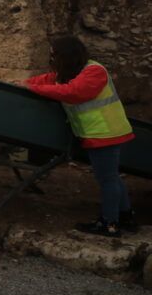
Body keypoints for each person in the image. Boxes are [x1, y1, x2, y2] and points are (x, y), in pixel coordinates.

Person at [25, 35, 138, 237]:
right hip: (95, 132)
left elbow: (75, 92)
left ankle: (109, 223)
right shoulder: (69, 72)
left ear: (66, 55)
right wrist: (24, 83)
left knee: (107, 178)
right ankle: (125, 215)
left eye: (54, 54)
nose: (51, 59)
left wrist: (33, 88)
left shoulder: (94, 71)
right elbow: (47, 79)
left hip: (105, 133)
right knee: (111, 176)